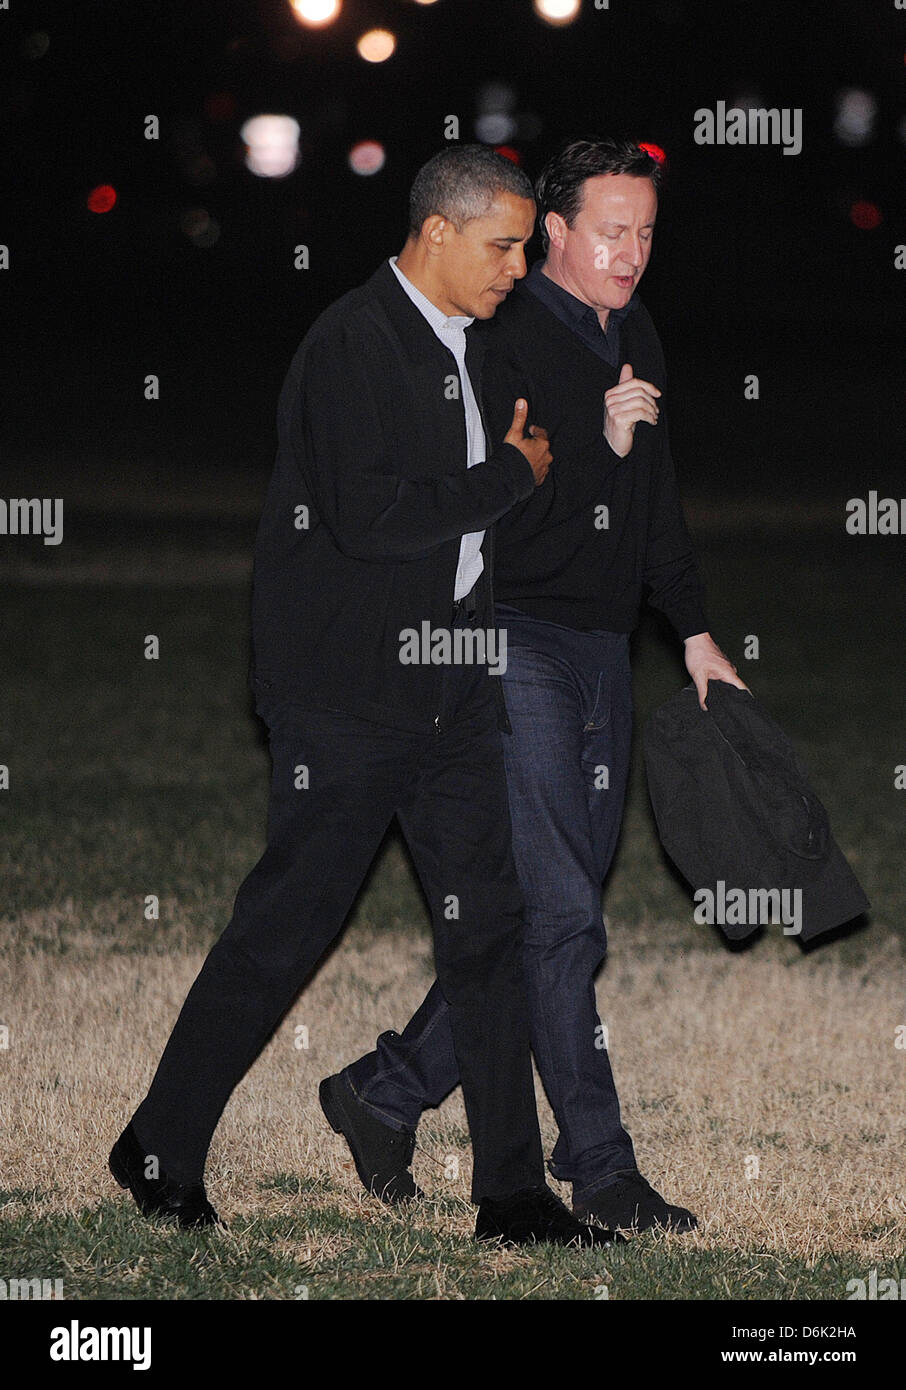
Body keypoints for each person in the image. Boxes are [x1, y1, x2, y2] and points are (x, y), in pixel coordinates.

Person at [108, 145, 621, 1248]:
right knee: (286, 930)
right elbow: (371, 516)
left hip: (453, 691)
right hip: (346, 699)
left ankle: (514, 1197)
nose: (521, 267)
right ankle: (157, 1146)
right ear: (435, 232)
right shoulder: (352, 343)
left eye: (529, 246)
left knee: (491, 934)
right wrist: (509, 479)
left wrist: (546, 481)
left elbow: (480, 521)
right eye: (504, 245)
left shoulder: (480, 354)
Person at [324, 137, 749, 1234]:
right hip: (512, 644)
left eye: (648, 232)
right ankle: (599, 1166)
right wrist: (602, 449)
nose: (633, 252)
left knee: (534, 917)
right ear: (555, 232)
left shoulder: (636, 329)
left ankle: (384, 1090)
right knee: (566, 921)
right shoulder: (501, 337)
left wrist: (693, 630)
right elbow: (499, 518)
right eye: (614, 230)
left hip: (605, 650)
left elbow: (654, 506)